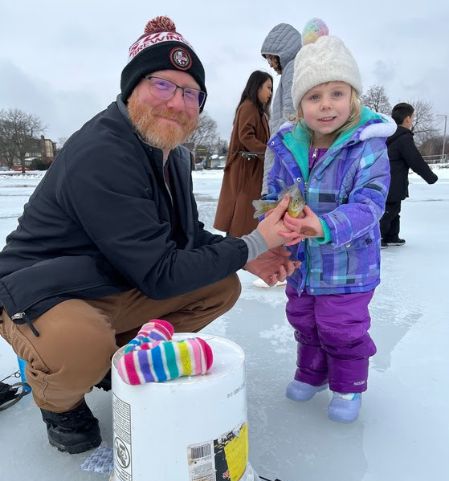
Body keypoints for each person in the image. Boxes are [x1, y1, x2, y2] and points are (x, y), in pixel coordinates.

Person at [0, 16, 297, 454]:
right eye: (162, 85)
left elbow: (187, 234)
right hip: (45, 291)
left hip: (116, 279)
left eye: (191, 93)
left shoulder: (172, 154)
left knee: (220, 286)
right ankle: (59, 399)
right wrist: (255, 241)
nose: (178, 103)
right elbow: (161, 273)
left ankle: (111, 362)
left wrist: (246, 257)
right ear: (131, 87)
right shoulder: (102, 150)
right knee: (80, 344)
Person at [264, 18, 396, 423]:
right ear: (299, 105)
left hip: (348, 266)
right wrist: (276, 217)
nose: (326, 105)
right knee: (303, 319)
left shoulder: (367, 147)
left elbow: (371, 202)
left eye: (336, 93)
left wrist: (325, 225)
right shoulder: (289, 145)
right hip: (303, 265)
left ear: (352, 98)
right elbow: (277, 190)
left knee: (341, 327)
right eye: (314, 96)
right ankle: (312, 372)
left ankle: (348, 386)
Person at [213, 71, 272, 237]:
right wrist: (269, 152)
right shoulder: (249, 107)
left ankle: (241, 244)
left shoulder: (258, 111)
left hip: (252, 168)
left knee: (246, 211)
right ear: (257, 87)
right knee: (242, 210)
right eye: (268, 87)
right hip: (245, 169)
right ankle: (237, 245)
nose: (270, 93)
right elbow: (246, 136)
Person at [380, 102, 438, 247]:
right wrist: (431, 177)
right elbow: (415, 160)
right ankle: (379, 237)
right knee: (389, 211)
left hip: (386, 180)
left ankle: (391, 236)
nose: (412, 121)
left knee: (394, 209)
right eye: (412, 118)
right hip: (393, 182)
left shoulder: (388, 135)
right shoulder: (403, 138)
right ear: (407, 119)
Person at [260, 23, 302, 194]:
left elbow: (291, 115)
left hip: (285, 147)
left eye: (270, 57)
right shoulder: (294, 68)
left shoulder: (292, 69)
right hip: (285, 145)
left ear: (281, 52)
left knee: (278, 200)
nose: (270, 63)